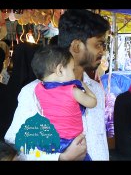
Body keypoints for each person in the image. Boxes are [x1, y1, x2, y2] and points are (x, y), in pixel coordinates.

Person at [5, 9, 110, 160]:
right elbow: (18, 142)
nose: (103, 51)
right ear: (76, 47)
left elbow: (99, 140)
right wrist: (61, 158)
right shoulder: (34, 92)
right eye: (99, 44)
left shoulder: (95, 89)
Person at [31, 45, 98, 160]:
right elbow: (93, 102)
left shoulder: (38, 89)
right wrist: (83, 85)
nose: (73, 73)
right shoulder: (72, 91)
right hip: (71, 142)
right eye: (72, 69)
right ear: (60, 70)